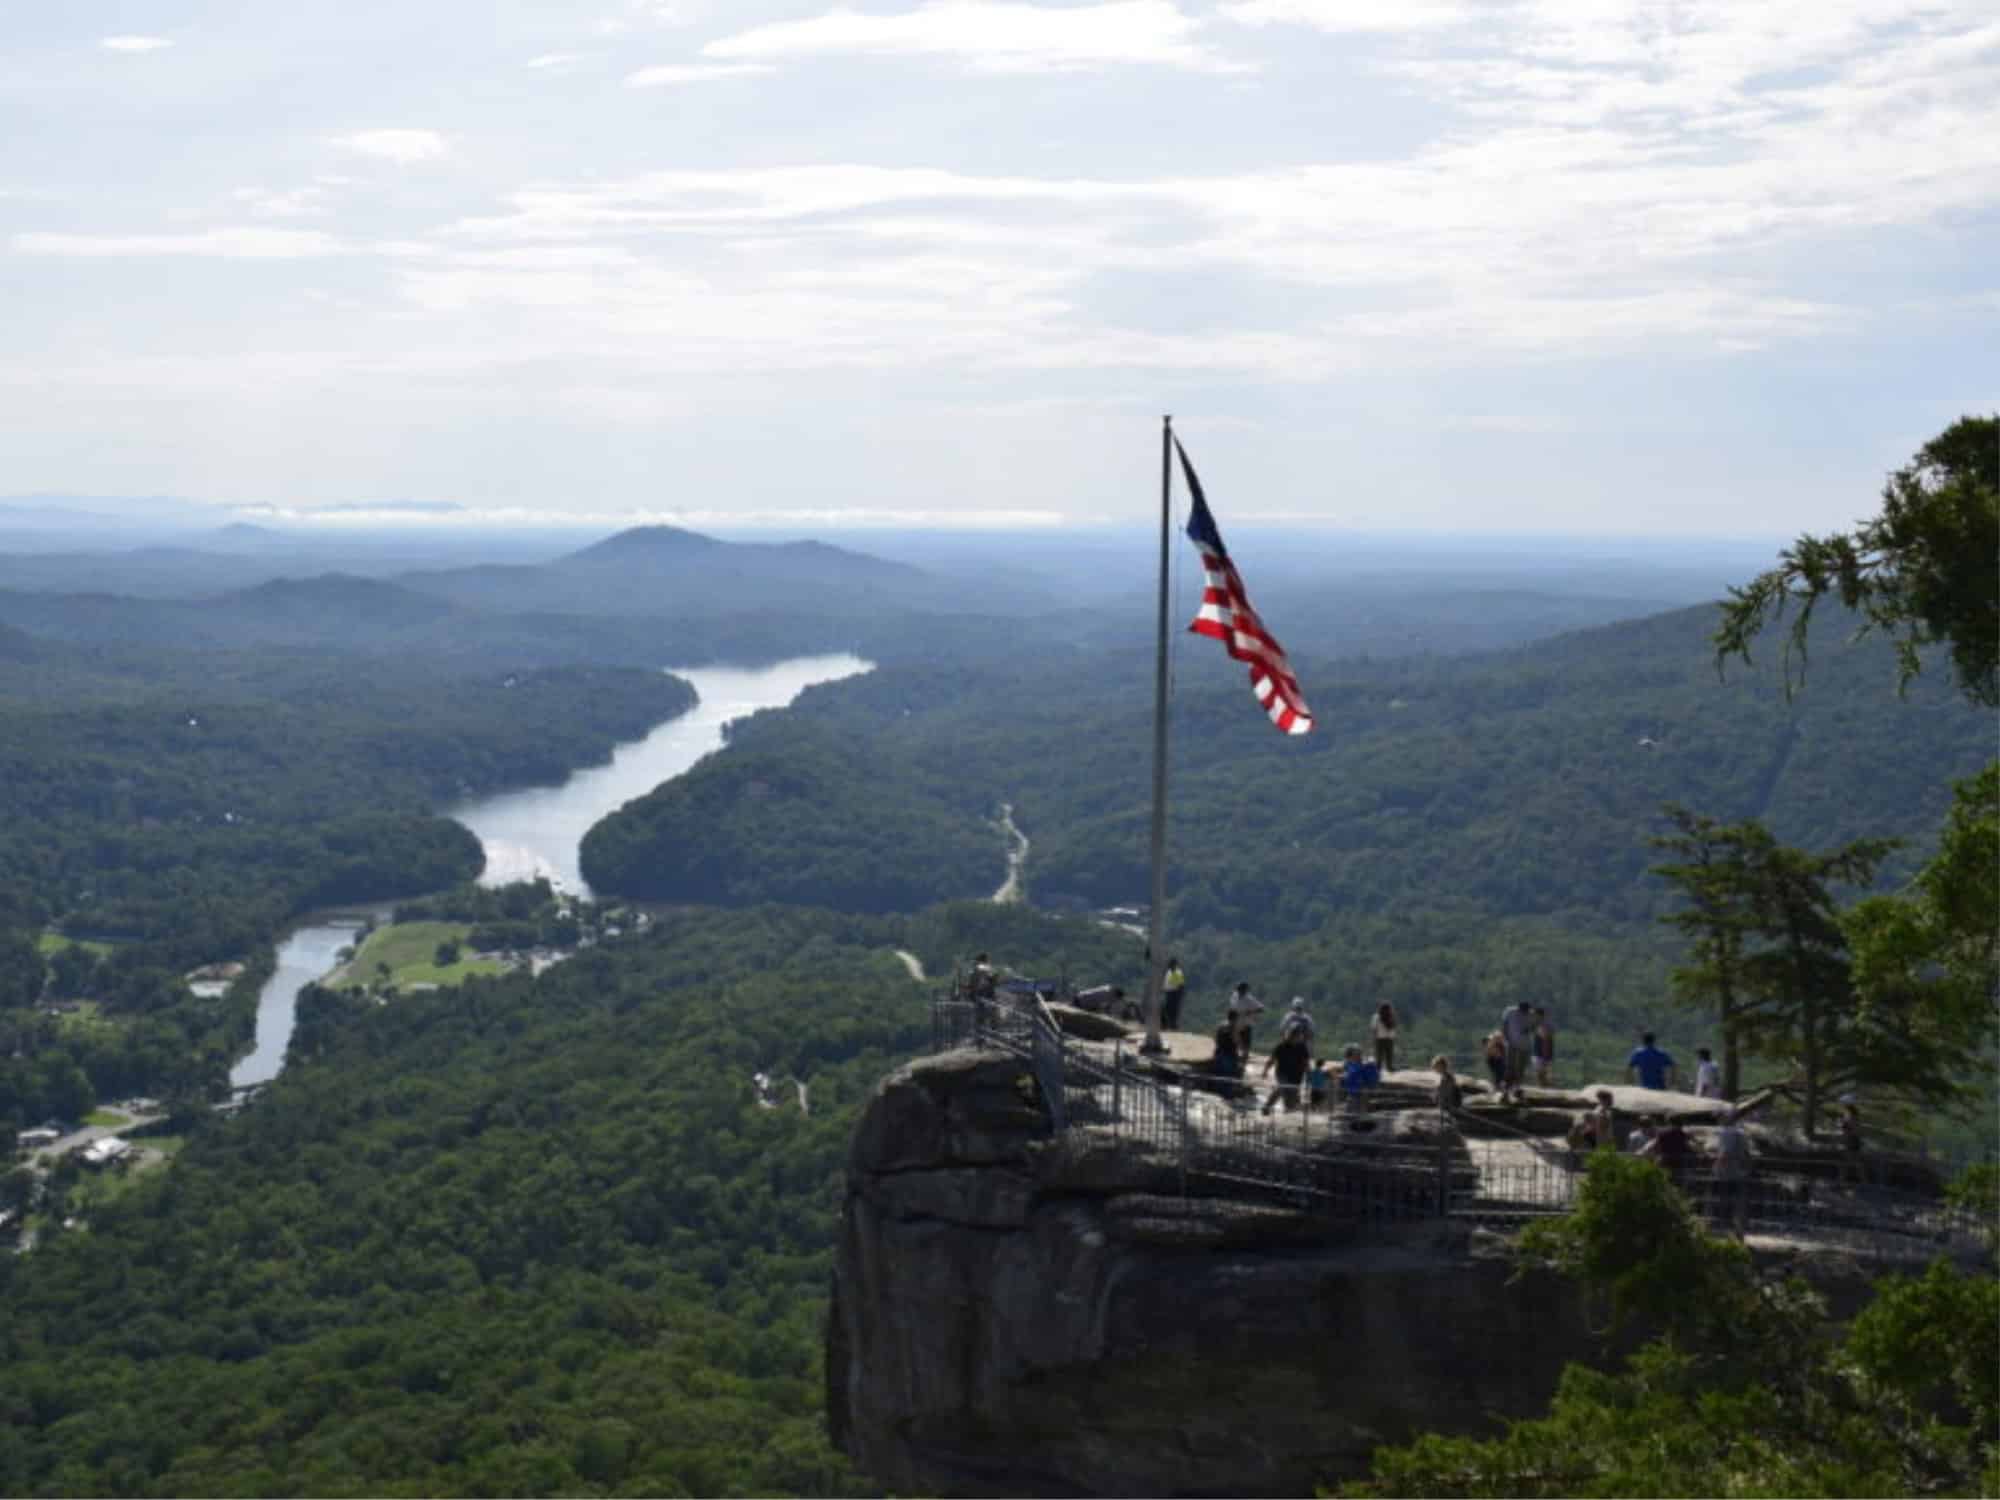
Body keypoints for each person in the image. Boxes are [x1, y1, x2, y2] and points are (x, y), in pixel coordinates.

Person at [1710, 1107, 1752, 1237]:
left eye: (1719, 1118)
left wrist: (1716, 1165)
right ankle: (1738, 1228)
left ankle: (1724, 1227)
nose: (1718, 1120)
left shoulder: (1726, 1133)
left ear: (1725, 1119)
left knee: (1724, 1198)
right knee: (1738, 1200)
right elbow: (1747, 1153)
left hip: (1726, 1172)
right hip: (1739, 1172)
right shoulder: (1742, 1132)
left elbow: (1725, 1152)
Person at [1261, 1025, 1313, 1115]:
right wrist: (1265, 1070)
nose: (1297, 1038)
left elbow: (1306, 1063)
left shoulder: (1302, 1048)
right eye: (1293, 1035)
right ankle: (1267, 1107)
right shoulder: (1281, 1046)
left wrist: (1309, 1076)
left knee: (1291, 1099)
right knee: (1282, 1087)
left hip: (1296, 1076)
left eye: (1298, 1036)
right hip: (1282, 1073)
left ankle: (1289, 1112)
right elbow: (1272, 1060)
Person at [1498, 999, 1536, 1102]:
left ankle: (1517, 1088)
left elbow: (1534, 1027)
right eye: (1523, 1011)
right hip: (1512, 1044)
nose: (1524, 1013)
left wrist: (1529, 1029)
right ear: (1519, 1008)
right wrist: (1506, 1038)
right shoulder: (1510, 1012)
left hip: (1525, 1046)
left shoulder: (1531, 1014)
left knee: (1521, 1069)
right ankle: (1505, 1091)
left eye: (1526, 1011)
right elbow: (1504, 1025)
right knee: (1510, 1068)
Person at [1640, 1115, 1694, 1182]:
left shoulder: (1663, 1133)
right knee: (1678, 1182)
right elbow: (1692, 1146)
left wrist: (1642, 1152)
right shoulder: (1683, 1134)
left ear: (1668, 1122)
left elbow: (1651, 1145)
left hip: (1664, 1162)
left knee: (1663, 1181)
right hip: (1679, 1163)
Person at [1229, 982, 1264, 1063]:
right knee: (1234, 1040)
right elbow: (1232, 1007)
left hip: (1246, 1023)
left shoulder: (1249, 999)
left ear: (1245, 991)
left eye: (1242, 990)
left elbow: (1261, 1008)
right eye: (1239, 990)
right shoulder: (1234, 996)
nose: (1240, 992)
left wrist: (1250, 1011)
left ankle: (1245, 1058)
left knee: (1246, 1041)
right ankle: (1236, 1056)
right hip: (1236, 1023)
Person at [1340, 1044, 1380, 1110]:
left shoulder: (1366, 1066)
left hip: (1361, 1092)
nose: (1359, 1055)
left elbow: (1373, 1077)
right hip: (1355, 1093)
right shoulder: (1350, 1066)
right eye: (1357, 1053)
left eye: (1359, 1053)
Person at [1839, 1099, 1866, 1186]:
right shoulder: (1849, 1115)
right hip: (1851, 1141)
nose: (1842, 1106)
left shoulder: (1852, 1116)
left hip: (1852, 1141)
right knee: (1850, 1162)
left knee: (1851, 1163)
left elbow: (1855, 1130)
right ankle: (1843, 1181)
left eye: (1843, 1104)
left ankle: (1863, 1182)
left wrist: (1846, 1129)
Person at [1210, 1011, 1242, 1082]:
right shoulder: (1232, 1027)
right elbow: (1236, 1040)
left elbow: (1215, 1037)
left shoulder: (1221, 1025)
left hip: (1219, 1051)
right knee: (1227, 1076)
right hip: (1229, 1054)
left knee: (1217, 1074)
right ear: (1235, 1018)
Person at [1161, 957, 1188, 1032]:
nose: (1170, 966)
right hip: (1168, 993)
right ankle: (1168, 1025)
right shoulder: (1169, 972)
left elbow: (1181, 986)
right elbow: (1166, 984)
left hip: (1174, 994)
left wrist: (1179, 996)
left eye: (1172, 964)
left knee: (1173, 1011)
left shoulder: (1177, 972)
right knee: (1167, 1010)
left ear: (1175, 965)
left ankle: (1173, 1026)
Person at [1531, 1007, 1556, 1087]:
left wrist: (1545, 1056)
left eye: (1534, 1015)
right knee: (1543, 1074)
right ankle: (1545, 1087)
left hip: (1541, 1054)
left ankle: (1544, 1088)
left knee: (1541, 1074)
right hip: (1545, 1054)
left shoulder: (1542, 1025)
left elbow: (1545, 1040)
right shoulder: (1547, 1024)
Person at [1372, 1003, 1398, 1073]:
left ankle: (1378, 1069)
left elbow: (1374, 1028)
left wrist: (1374, 1037)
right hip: (1389, 1038)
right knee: (1389, 1055)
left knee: (1379, 1055)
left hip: (1380, 1038)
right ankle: (1389, 1068)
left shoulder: (1376, 1017)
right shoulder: (1391, 1016)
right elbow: (1394, 1027)